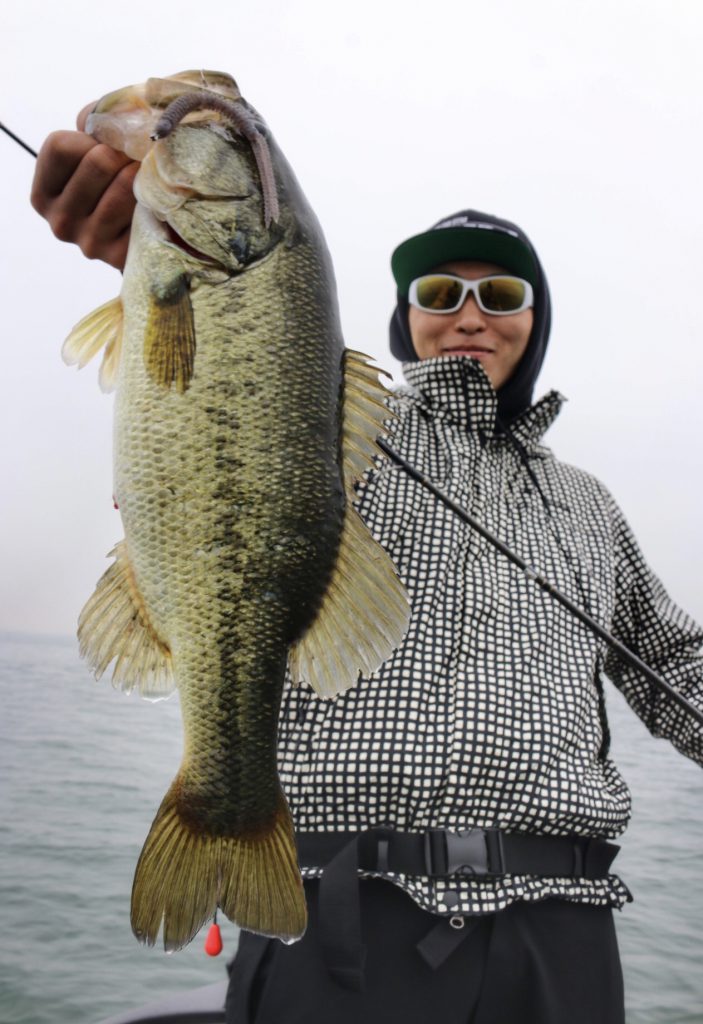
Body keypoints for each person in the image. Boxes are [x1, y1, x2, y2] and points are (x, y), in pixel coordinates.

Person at [31, 114, 703, 1024]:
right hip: (340, 923)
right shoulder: (340, 431)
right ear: (405, 317)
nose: (470, 313)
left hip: (564, 937)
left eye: (501, 293)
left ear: (534, 318)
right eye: (440, 290)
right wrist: (165, 265)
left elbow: (679, 670)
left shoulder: (591, 505)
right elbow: (230, 399)